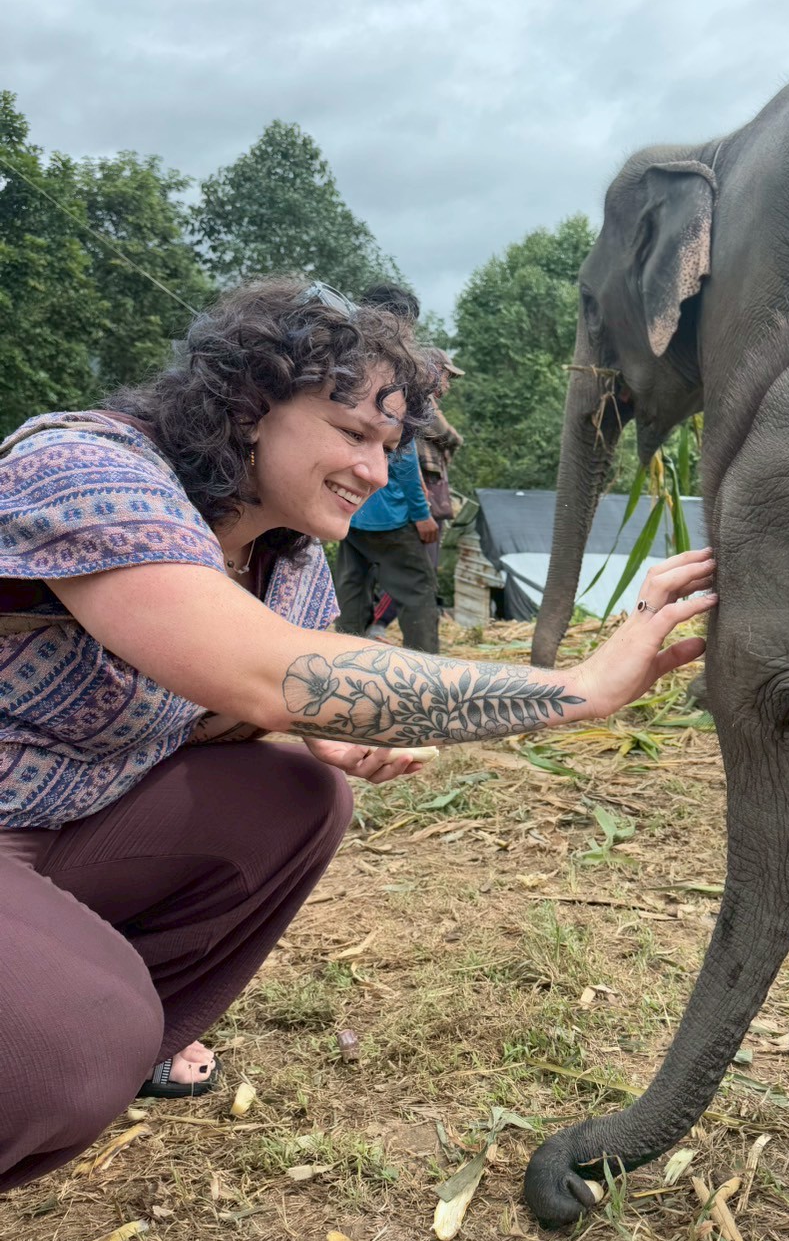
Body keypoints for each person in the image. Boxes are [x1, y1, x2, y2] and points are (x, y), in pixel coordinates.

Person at [0, 276, 716, 1192]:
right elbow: (272, 670)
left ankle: (106, 1030)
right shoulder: (90, 470)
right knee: (77, 1038)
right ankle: (68, 1040)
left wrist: (308, 730)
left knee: (299, 795)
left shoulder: (285, 562)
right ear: (251, 405)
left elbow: (255, 689)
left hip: (53, 819)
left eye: (391, 444)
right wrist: (575, 688)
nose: (378, 471)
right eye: (352, 434)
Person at [332, 435, 442, 650]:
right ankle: (424, 667)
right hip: (391, 520)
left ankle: (344, 656)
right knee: (417, 592)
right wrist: (421, 515)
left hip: (352, 512)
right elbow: (405, 462)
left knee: (352, 585)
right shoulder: (397, 405)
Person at [416, 350, 465, 575]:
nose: (448, 383)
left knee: (428, 560)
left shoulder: (426, 400)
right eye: (446, 375)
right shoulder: (420, 399)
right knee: (424, 561)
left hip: (429, 485)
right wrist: (452, 437)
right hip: (425, 488)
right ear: (432, 369)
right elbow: (447, 434)